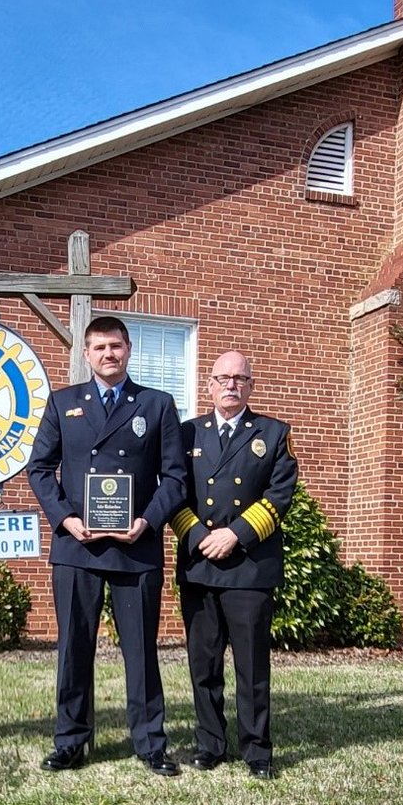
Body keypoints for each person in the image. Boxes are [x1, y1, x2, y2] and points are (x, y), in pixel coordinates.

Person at [28, 316, 187, 776]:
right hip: (77, 547)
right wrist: (66, 519)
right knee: (74, 648)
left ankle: (150, 742)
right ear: (86, 354)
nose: (108, 355)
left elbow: (174, 477)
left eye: (115, 346)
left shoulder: (156, 405)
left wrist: (147, 521)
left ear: (129, 349)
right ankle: (71, 741)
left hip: (135, 547)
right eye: (98, 347)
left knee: (141, 650)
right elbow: (39, 468)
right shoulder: (63, 403)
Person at [171, 350, 297, 780]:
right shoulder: (186, 434)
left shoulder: (274, 433)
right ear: (208, 384)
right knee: (203, 664)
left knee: (251, 665)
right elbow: (174, 492)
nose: (231, 385)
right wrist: (199, 535)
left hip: (248, 567)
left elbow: (279, 496)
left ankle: (257, 751)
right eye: (223, 378)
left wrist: (235, 534)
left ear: (251, 386)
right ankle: (209, 744)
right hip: (200, 563)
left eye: (240, 378)